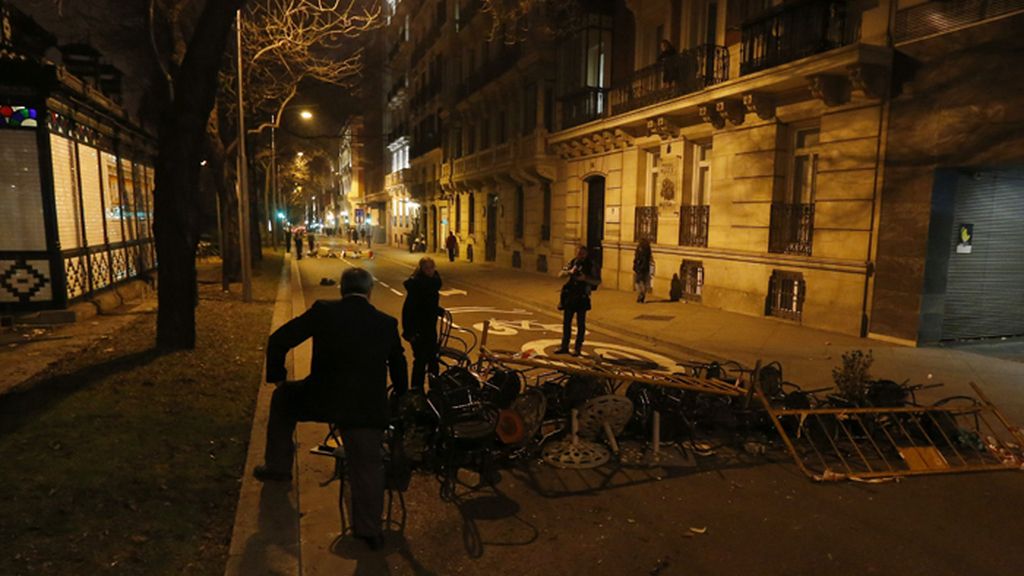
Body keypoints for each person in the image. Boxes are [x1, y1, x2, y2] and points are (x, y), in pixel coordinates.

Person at [255, 267, 408, 550]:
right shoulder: (386, 323)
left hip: (323, 399)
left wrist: (279, 378)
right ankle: (369, 530)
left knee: (283, 401)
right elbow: (399, 366)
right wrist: (400, 397)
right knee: (367, 466)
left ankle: (278, 466)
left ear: (341, 289)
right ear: (370, 291)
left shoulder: (323, 311)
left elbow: (279, 340)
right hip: (365, 407)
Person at [402, 257, 444, 390]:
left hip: (430, 329)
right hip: (418, 331)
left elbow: (427, 305)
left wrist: (437, 310)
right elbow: (409, 310)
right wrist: (410, 333)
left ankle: (434, 391)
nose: (430, 271)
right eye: (426, 268)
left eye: (432, 267)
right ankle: (417, 392)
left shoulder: (433, 283)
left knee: (433, 360)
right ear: (421, 269)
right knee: (420, 361)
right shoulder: (417, 286)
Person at [555, 246, 598, 356]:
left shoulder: (591, 265)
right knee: (566, 323)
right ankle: (564, 346)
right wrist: (569, 272)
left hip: (582, 297)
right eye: (578, 253)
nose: (580, 256)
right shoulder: (572, 262)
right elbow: (560, 274)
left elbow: (597, 281)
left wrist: (585, 278)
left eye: (582, 254)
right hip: (570, 296)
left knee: (580, 324)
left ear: (586, 254)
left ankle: (577, 348)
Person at [633, 237, 654, 303]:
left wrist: (635, 266)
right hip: (646, 268)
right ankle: (642, 295)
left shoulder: (639, 248)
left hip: (639, 268)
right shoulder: (648, 248)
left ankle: (640, 294)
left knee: (637, 282)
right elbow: (649, 258)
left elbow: (636, 258)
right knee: (644, 282)